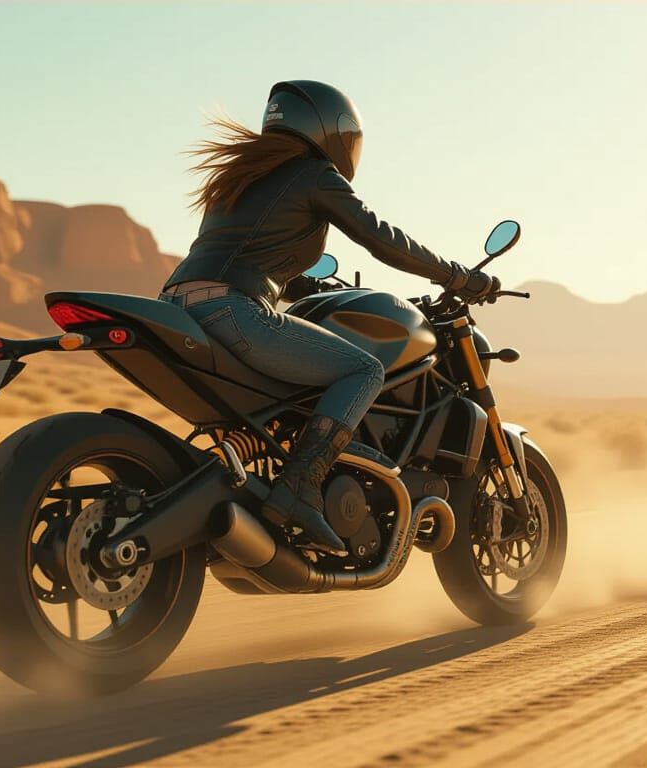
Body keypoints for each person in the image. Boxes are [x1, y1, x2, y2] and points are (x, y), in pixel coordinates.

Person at [161, 80, 498, 556]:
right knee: (364, 369)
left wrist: (308, 287)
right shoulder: (314, 173)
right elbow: (380, 237)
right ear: (334, 132)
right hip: (231, 308)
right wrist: (455, 276)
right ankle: (301, 485)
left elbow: (251, 252)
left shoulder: (243, 178)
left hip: (181, 303)